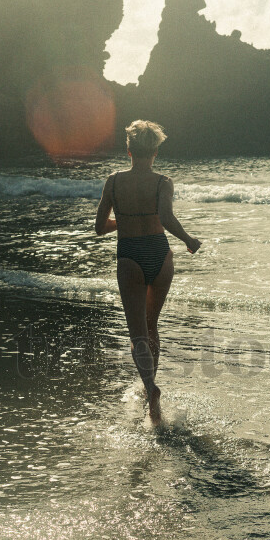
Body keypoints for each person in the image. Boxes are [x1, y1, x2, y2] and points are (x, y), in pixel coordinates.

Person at [95, 120, 201, 424]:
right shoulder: (162, 182)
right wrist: (189, 240)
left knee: (137, 333)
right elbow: (166, 218)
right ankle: (150, 389)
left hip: (130, 256)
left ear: (128, 150)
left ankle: (150, 388)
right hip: (160, 254)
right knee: (152, 325)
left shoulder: (113, 182)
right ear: (155, 152)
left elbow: (99, 227)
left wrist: (125, 220)